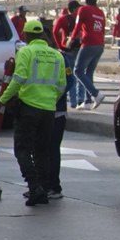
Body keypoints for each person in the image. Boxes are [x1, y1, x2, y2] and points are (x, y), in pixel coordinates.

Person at [0, 17, 67, 206]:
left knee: (22, 149)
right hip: (48, 110)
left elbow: (18, 79)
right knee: (42, 151)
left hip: (28, 108)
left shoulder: (26, 52)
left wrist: (2, 100)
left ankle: (35, 188)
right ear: (42, 34)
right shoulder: (57, 55)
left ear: (26, 35)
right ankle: (43, 188)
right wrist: (50, 100)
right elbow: (62, 86)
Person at [41, 19, 75, 200]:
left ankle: (53, 187)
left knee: (52, 149)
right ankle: (40, 186)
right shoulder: (31, 55)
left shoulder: (61, 57)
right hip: (40, 110)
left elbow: (69, 81)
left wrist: (53, 98)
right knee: (40, 149)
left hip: (55, 111)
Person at [71, 0, 106, 109]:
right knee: (89, 72)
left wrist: (71, 39)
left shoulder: (83, 9)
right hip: (100, 45)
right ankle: (87, 101)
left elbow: (77, 26)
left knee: (77, 71)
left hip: (89, 43)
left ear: (85, 0)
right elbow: (102, 29)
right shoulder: (100, 12)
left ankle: (96, 94)